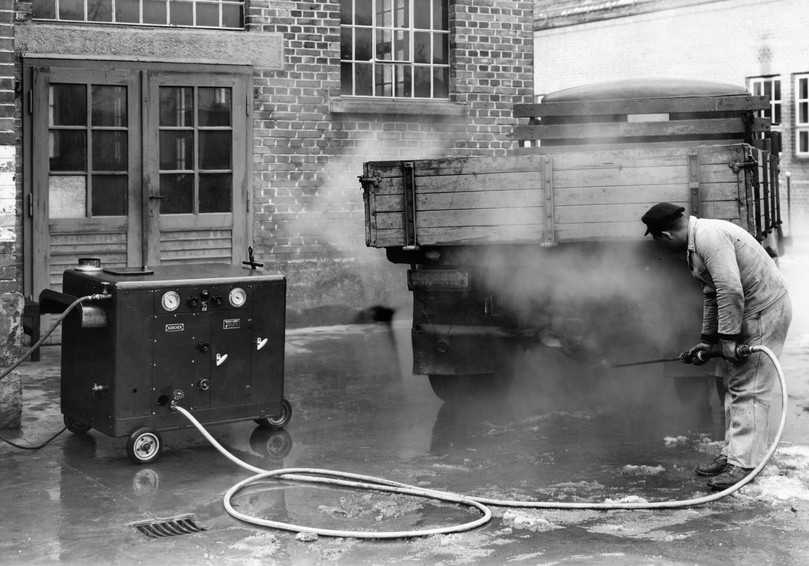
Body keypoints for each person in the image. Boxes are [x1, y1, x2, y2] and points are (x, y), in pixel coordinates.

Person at [641, 202, 791, 490]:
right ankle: (733, 454)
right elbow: (711, 293)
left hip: (764, 310)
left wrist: (729, 340)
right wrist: (708, 341)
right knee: (734, 384)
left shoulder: (709, 237)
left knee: (751, 387)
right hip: (751, 310)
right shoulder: (697, 244)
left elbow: (730, 289)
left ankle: (744, 465)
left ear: (664, 237)